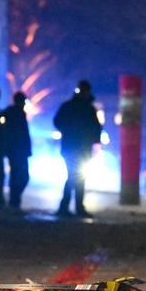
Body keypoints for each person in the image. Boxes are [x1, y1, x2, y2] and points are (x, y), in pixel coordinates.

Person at [52, 80, 102, 217]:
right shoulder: (89, 109)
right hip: (81, 148)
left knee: (74, 176)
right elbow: (96, 129)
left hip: (70, 146)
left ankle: (66, 207)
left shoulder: (69, 106)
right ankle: (76, 207)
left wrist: (68, 131)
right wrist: (94, 142)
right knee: (78, 177)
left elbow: (57, 121)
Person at [3, 91, 33, 211]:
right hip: (17, 150)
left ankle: (14, 200)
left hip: (17, 150)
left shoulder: (15, 112)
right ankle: (14, 200)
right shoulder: (15, 113)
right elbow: (20, 133)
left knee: (18, 176)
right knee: (20, 176)